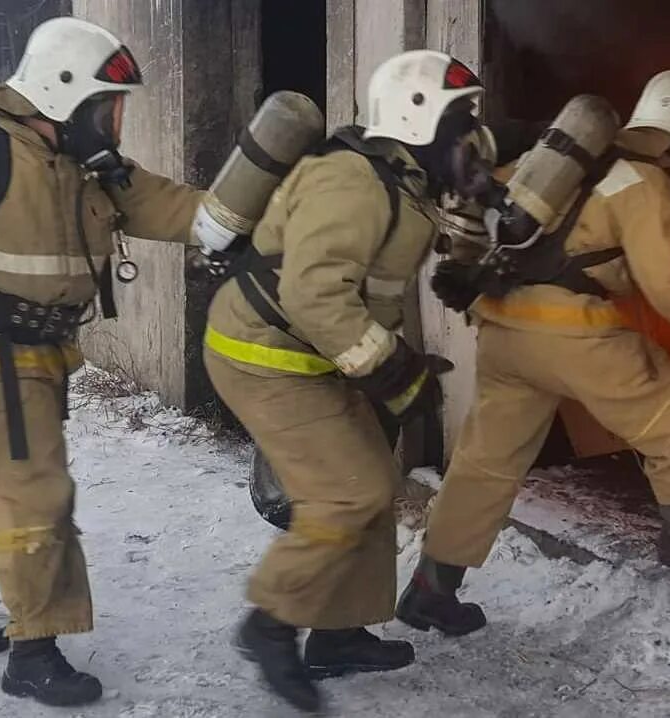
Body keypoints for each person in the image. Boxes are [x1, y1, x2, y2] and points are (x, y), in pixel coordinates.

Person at [396, 70, 670, 637]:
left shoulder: (554, 166)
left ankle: (432, 586)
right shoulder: (641, 182)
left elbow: (481, 222)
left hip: (504, 329)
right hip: (569, 331)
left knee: (486, 460)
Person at [0, 17, 203, 706]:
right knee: (36, 491)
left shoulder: (83, 162)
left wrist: (259, 221)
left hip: (42, 345)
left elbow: (174, 207)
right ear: (60, 92)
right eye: (109, 105)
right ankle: (34, 649)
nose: (117, 121)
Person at [203, 50, 488, 713]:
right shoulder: (354, 182)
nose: (468, 137)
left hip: (316, 354)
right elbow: (312, 294)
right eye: (458, 122)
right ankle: (270, 621)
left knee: (374, 481)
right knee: (346, 492)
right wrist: (392, 369)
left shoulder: (404, 181)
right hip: (264, 351)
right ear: (417, 120)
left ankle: (338, 635)